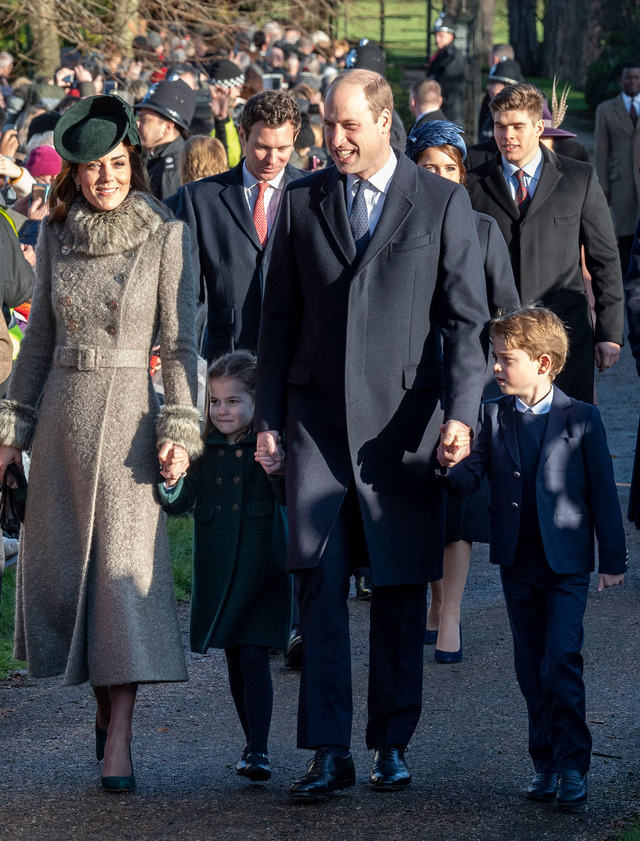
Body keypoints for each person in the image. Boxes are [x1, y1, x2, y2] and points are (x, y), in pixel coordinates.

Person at [254, 68, 488, 798]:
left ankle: (391, 740)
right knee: (317, 586)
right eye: (327, 123)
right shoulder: (301, 200)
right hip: (315, 424)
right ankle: (329, 748)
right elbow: (276, 324)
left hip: (403, 428)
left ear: (385, 121)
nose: (334, 138)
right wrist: (267, 421)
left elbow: (465, 322)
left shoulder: (442, 202)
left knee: (396, 586)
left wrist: (461, 412)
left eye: (348, 124)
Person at [0, 94, 201, 792]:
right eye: (92, 167)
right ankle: (101, 706)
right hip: (60, 421)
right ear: (74, 175)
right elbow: (38, 344)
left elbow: (178, 345)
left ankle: (120, 734)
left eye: (118, 164)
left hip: (129, 431)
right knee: (71, 585)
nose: (106, 178)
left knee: (121, 583)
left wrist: (180, 425)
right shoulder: (54, 235)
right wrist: (10, 430)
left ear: (133, 165)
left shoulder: (164, 234)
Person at [438, 306, 626, 812]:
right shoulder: (491, 415)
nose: (496, 368)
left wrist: (612, 558)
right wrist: (450, 464)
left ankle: (572, 766)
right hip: (518, 561)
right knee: (529, 667)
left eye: (505, 359)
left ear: (543, 363)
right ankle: (544, 763)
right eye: (494, 359)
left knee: (560, 660)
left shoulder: (582, 417)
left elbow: (604, 495)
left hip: (566, 565)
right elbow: (469, 480)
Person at [405, 120, 519, 660]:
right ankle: (433, 599)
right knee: (422, 498)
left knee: (459, 497)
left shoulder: (483, 229)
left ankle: (450, 613)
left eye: (450, 169)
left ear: (463, 176)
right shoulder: (394, 224)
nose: (441, 178)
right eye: (429, 168)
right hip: (406, 382)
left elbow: (507, 310)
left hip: (466, 381)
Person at [159, 350, 290, 783]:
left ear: (256, 402)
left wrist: (277, 470)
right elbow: (180, 503)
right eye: (215, 401)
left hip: (260, 564)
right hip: (217, 566)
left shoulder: (269, 443)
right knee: (236, 656)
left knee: (252, 652)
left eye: (233, 401)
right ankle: (251, 743)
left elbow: (286, 496)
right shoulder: (203, 447)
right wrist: (172, 480)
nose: (222, 410)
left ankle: (259, 749)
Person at [467, 83, 624, 404]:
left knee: (566, 433)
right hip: (494, 336)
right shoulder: (473, 178)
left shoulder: (579, 178)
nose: (507, 135)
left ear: (539, 127)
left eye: (517, 127)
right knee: (496, 435)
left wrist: (609, 334)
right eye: (500, 126)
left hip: (564, 335)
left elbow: (604, 259)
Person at [176, 90, 303, 361]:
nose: (272, 159)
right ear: (242, 134)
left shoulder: (313, 194)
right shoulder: (200, 198)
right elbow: (188, 293)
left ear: (295, 138)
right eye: (262, 147)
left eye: (282, 149)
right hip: (225, 359)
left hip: (295, 358)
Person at [594, 62, 640, 273]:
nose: (633, 81)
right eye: (628, 78)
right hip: (620, 181)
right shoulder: (606, 110)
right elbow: (601, 149)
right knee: (624, 236)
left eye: (636, 77)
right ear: (621, 80)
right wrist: (602, 185)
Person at [135, 78, 197, 201]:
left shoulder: (171, 170)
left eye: (144, 120)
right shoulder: (154, 156)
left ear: (167, 128)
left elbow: (168, 217)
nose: (137, 124)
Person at [428, 13, 466, 125]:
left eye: (441, 36)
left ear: (451, 36)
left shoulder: (453, 57)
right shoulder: (441, 55)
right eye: (436, 35)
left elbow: (447, 84)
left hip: (450, 113)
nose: (436, 39)